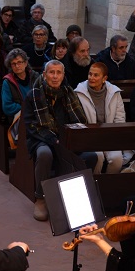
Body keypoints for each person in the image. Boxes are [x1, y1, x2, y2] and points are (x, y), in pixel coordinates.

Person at [23, 60, 96, 221]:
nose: (55, 76)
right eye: (51, 72)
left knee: (91, 156)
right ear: (44, 75)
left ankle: (67, 196)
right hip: (41, 138)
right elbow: (31, 126)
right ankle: (40, 198)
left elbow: (79, 121)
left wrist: (66, 140)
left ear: (63, 75)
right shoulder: (33, 95)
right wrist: (53, 140)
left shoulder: (69, 94)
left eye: (58, 73)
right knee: (44, 154)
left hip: (65, 139)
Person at [75, 62, 126, 173]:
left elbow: (120, 119)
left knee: (117, 159)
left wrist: (112, 137)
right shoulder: (79, 93)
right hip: (89, 138)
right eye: (90, 74)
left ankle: (109, 185)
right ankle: (95, 185)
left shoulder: (114, 92)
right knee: (97, 157)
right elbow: (78, 120)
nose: (91, 78)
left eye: (96, 75)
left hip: (109, 136)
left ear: (104, 78)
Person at [2, 48, 39, 120]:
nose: (17, 66)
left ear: (25, 63)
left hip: (36, 113)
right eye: (13, 64)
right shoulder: (7, 82)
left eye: (19, 62)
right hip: (18, 116)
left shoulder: (35, 77)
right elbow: (7, 107)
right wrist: (25, 107)